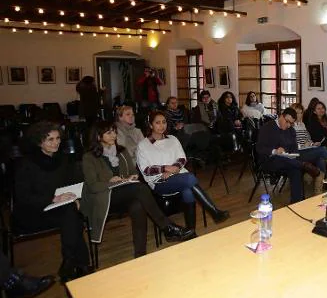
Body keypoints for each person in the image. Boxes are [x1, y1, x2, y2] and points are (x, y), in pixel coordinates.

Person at [81, 121, 194, 258]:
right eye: (109, 132)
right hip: (104, 198)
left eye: (114, 131)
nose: (114, 135)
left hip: (125, 192)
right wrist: (110, 182)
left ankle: (141, 255)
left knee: (138, 205)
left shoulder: (121, 151)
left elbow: (132, 172)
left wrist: (131, 176)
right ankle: (167, 227)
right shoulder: (89, 157)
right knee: (140, 189)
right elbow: (93, 186)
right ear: (98, 137)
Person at [14, 121, 91, 282]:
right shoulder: (27, 164)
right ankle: (81, 264)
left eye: (57, 138)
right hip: (34, 212)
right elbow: (23, 197)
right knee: (72, 217)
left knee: (71, 213)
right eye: (50, 139)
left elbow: (72, 184)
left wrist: (75, 198)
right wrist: (51, 199)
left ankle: (70, 262)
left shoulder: (62, 160)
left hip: (59, 209)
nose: (56, 142)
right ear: (39, 141)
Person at [136, 111, 230, 232]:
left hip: (177, 176)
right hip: (159, 182)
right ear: (150, 125)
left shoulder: (172, 139)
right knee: (190, 178)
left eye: (164, 122)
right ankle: (214, 211)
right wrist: (164, 168)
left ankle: (191, 232)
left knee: (188, 191)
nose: (161, 126)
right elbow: (146, 169)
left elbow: (182, 158)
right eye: (157, 123)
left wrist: (171, 170)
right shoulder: (143, 145)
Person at [256, 108, 320, 203]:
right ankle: (303, 165)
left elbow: (294, 149)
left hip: (288, 161)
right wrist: (275, 151)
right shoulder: (267, 127)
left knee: (295, 169)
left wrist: (290, 154)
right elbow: (259, 148)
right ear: (281, 116)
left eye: (291, 123)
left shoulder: (291, 130)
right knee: (285, 160)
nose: (288, 125)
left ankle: (296, 202)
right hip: (269, 160)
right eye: (287, 122)